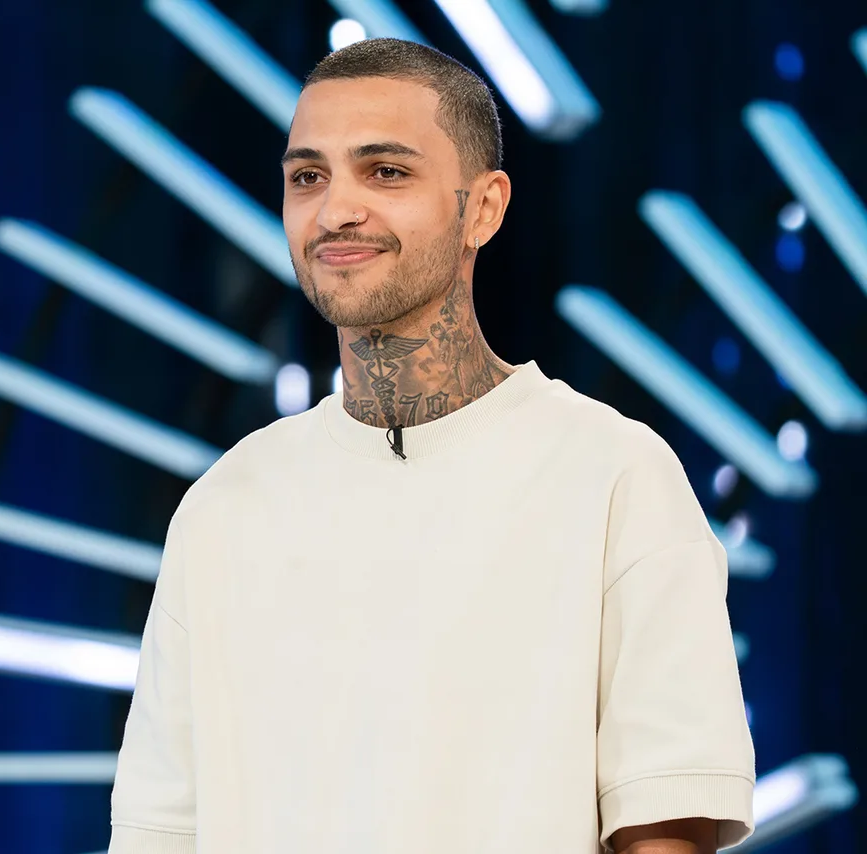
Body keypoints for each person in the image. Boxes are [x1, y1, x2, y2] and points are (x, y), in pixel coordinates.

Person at [107, 37, 755, 854]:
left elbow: (666, 827)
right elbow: (159, 834)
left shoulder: (614, 475)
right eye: (309, 176)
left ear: (483, 206)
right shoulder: (225, 506)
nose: (337, 208)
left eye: (386, 171)